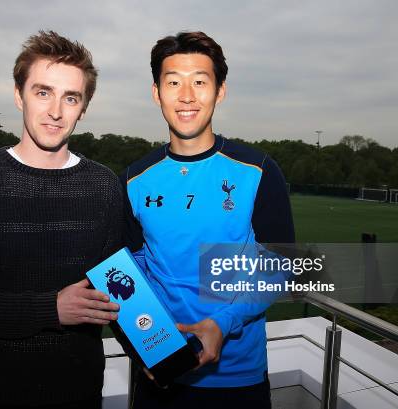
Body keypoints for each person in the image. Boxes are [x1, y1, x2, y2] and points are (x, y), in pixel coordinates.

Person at [0, 30, 123, 409]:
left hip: (79, 393)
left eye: (71, 97)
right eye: (43, 92)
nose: (56, 110)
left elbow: (115, 291)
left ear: (83, 107)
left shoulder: (104, 186)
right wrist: (50, 309)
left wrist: (164, 348)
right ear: (19, 96)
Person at [122, 31, 295, 409]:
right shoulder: (134, 179)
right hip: (160, 375)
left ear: (220, 92)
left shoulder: (259, 171)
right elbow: (130, 272)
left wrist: (225, 321)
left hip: (238, 380)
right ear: (156, 93)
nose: (187, 95)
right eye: (173, 83)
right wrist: (146, 341)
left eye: (200, 81)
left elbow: (281, 266)